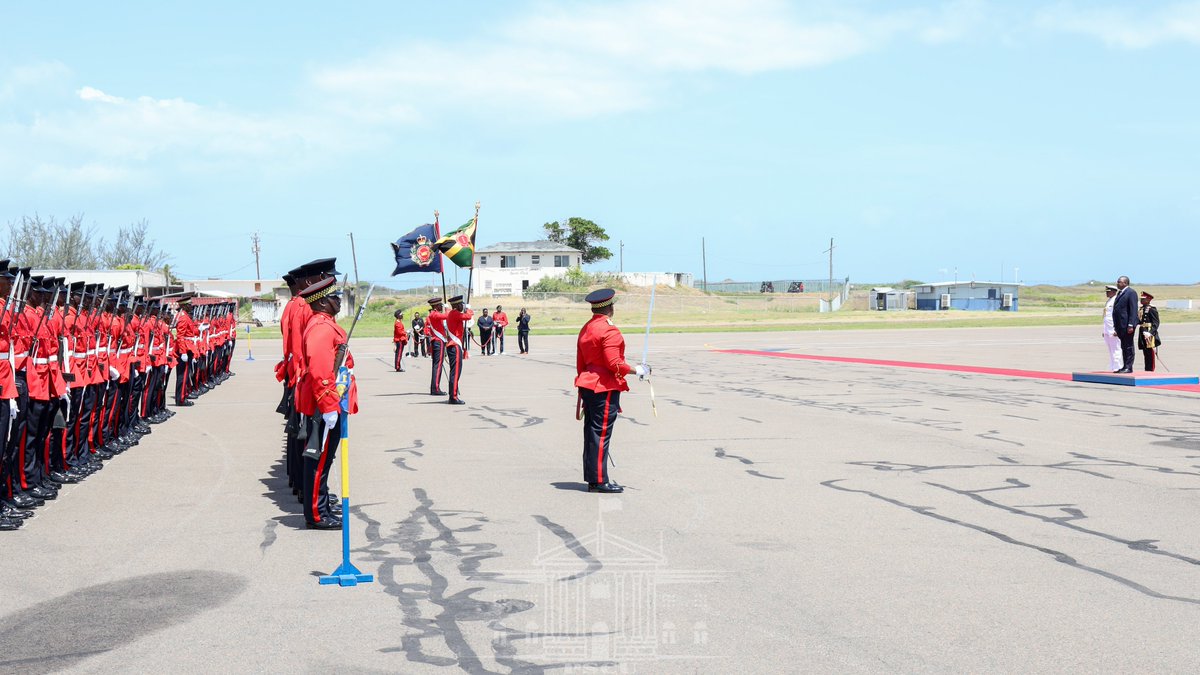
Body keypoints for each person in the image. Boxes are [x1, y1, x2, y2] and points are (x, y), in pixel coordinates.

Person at [295, 276, 358, 530]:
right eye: (334, 298)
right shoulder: (321, 328)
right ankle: (317, 514)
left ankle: (320, 506)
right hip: (325, 405)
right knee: (319, 461)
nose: (338, 301)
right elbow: (321, 372)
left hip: (328, 402)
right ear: (322, 302)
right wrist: (330, 406)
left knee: (324, 460)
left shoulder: (324, 323)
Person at [574, 289, 651, 494]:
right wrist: (637, 370)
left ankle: (594, 477)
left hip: (588, 383)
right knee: (600, 433)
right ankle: (599, 480)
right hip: (603, 386)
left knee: (592, 432)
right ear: (611, 307)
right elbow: (614, 363)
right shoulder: (609, 330)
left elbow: (581, 361)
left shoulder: (587, 328)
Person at [444, 295, 473, 404]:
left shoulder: (453, 313)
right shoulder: (455, 313)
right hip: (455, 346)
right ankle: (453, 397)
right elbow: (468, 317)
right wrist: (469, 309)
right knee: (455, 372)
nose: (463, 305)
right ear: (456, 305)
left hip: (455, 345)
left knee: (454, 372)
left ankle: (453, 394)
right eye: (461, 304)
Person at [1112, 276, 1138, 373]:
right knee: (1124, 346)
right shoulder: (1120, 293)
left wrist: (1131, 324)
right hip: (1121, 325)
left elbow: (1133, 309)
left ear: (1125, 283)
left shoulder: (1131, 293)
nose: (1117, 283)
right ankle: (1125, 366)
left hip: (1128, 325)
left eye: (1119, 282)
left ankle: (1129, 367)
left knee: (1128, 346)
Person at [426, 297, 448, 396]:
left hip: (437, 341)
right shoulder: (434, 314)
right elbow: (447, 316)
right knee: (438, 365)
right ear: (436, 306)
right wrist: (447, 309)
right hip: (438, 341)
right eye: (440, 305)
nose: (441, 306)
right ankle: (435, 388)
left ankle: (434, 387)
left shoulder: (434, 314)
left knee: (436, 365)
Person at [1138, 292, 1160, 372]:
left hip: (1149, 331)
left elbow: (1156, 323)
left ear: (1148, 300)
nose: (1141, 300)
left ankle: (1151, 369)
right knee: (1145, 351)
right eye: (1141, 299)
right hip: (1142, 331)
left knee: (1150, 352)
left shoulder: (1151, 309)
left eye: (1143, 299)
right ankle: (1147, 369)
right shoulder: (1141, 309)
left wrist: (1150, 332)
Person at [1101, 285, 1121, 373]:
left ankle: (1118, 366)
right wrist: (1104, 330)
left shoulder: (1116, 301)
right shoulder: (1109, 301)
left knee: (1116, 349)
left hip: (1114, 330)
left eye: (1108, 291)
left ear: (1113, 291)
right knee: (1111, 350)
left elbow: (1118, 317)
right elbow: (1106, 317)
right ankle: (1113, 366)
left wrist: (1117, 330)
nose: (1106, 293)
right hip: (1107, 330)